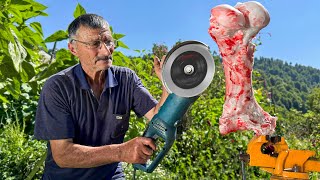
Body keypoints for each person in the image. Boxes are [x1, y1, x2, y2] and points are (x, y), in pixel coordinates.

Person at [34, 13, 168, 179]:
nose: (106, 50)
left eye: (108, 41)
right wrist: (121, 151)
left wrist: (167, 84)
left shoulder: (126, 79)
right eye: (95, 43)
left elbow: (158, 117)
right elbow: (63, 155)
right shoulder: (58, 87)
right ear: (73, 49)